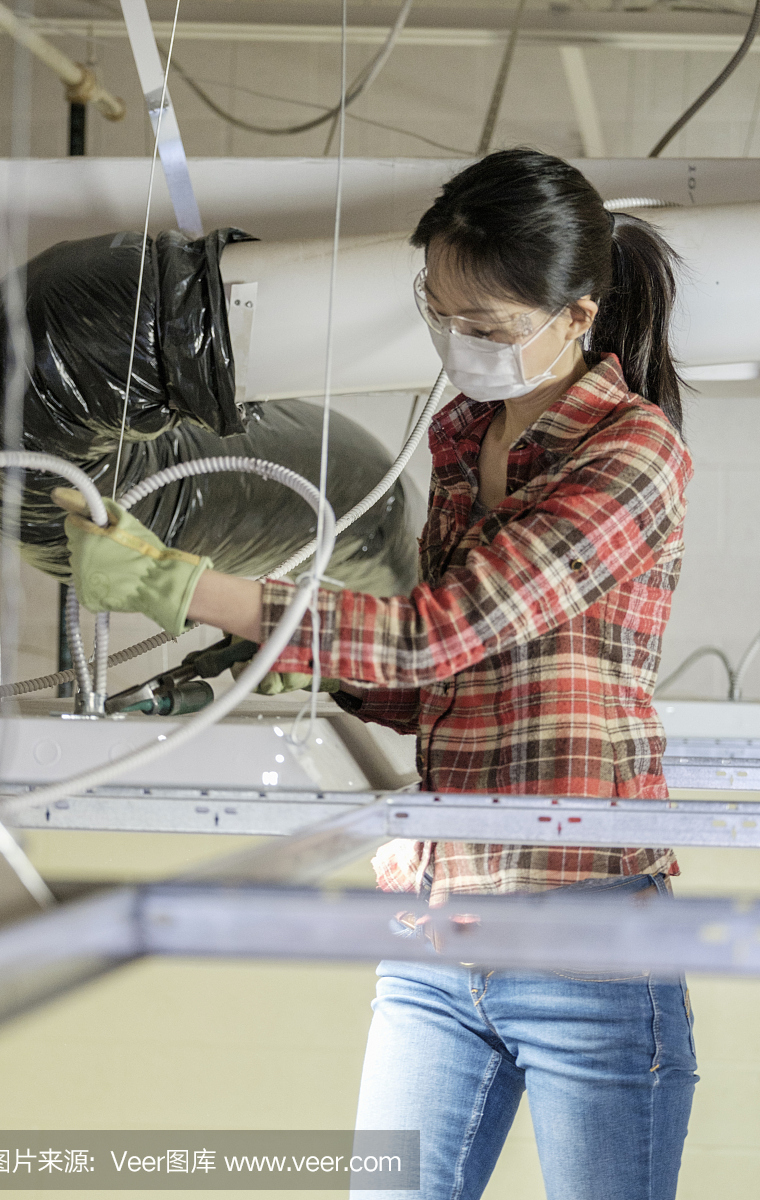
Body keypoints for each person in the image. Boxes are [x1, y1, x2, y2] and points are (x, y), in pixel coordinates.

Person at [57, 148, 698, 1200]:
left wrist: (187, 586)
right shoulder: (463, 441)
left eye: (486, 329)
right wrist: (304, 673)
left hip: (587, 938)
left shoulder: (632, 453)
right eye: (440, 314)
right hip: (438, 928)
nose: (457, 348)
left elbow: (435, 634)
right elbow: (430, 687)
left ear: (576, 313)